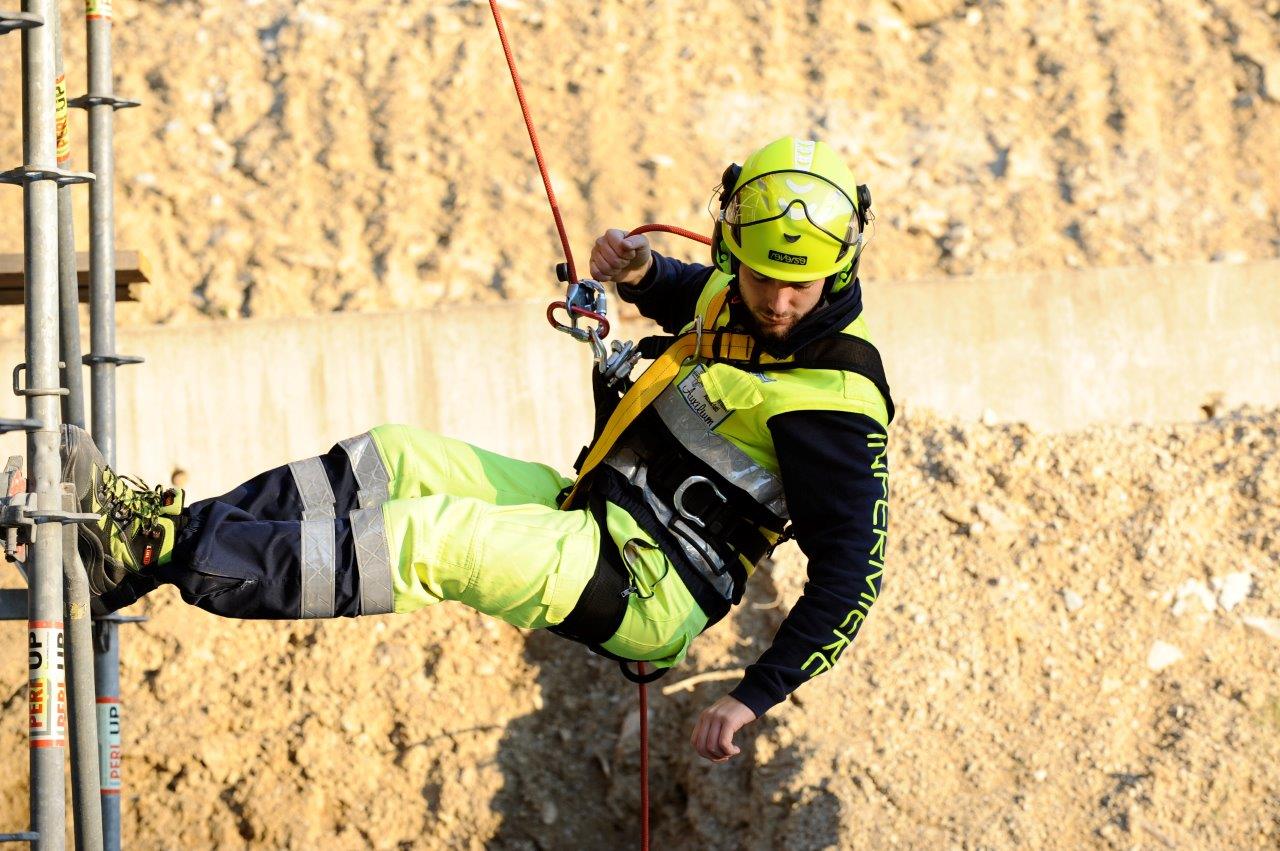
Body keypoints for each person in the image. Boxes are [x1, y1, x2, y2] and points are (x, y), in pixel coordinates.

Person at [63, 136, 893, 764]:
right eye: (759, 276)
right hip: (595, 512)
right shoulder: (736, 289)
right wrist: (640, 273)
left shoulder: (837, 407)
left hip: (650, 586)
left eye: (801, 284)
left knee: (434, 537)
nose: (778, 302)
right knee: (393, 458)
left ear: (841, 266)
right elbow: (701, 296)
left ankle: (157, 548)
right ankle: (150, 546)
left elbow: (854, 577)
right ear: (733, 247)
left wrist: (753, 696)